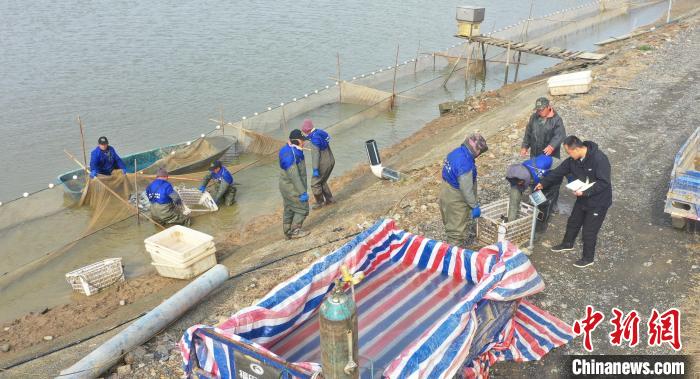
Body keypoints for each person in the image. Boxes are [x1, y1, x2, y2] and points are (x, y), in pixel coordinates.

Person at [535, 136, 612, 268]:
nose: (568, 155)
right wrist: (543, 183)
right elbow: (559, 171)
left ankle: (588, 258)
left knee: (589, 230)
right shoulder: (573, 160)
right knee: (573, 222)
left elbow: (604, 182)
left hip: (598, 201)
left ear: (576, 149)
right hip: (582, 198)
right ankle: (567, 244)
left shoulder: (599, 159)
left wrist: (585, 192)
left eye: (569, 152)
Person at [439, 133, 488, 247]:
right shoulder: (465, 165)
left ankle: (450, 241)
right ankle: (452, 255)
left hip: (445, 189)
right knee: (457, 232)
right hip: (455, 197)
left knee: (449, 221)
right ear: (476, 151)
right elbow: (466, 191)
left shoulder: (456, 152)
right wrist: (474, 206)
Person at [520, 97, 566, 209]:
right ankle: (536, 202)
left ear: (548, 107)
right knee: (535, 177)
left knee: (551, 179)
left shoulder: (557, 120)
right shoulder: (534, 117)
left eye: (541, 110)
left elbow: (560, 135)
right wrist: (525, 146)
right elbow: (528, 132)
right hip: (535, 155)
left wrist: (552, 145)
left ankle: (551, 204)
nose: (539, 112)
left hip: (549, 156)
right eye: (538, 110)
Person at [505, 154, 553, 231]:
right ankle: (510, 223)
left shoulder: (540, 172)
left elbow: (549, 162)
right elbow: (515, 186)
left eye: (519, 183)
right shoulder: (516, 173)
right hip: (529, 176)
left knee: (540, 202)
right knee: (514, 198)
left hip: (543, 178)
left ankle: (538, 227)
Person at [279, 129, 310, 239]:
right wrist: (302, 192)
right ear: (297, 141)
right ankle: (296, 231)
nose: (304, 142)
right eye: (302, 140)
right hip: (292, 187)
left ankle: (287, 232)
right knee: (303, 208)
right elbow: (294, 176)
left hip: (284, 186)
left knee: (289, 208)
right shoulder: (291, 155)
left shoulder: (287, 149)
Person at [301, 119, 336, 209]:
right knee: (322, 181)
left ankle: (319, 202)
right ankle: (330, 200)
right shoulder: (319, 132)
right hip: (331, 160)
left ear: (306, 130)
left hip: (323, 163)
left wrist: (315, 169)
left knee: (315, 183)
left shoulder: (314, 140)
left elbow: (315, 156)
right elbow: (324, 138)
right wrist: (307, 138)